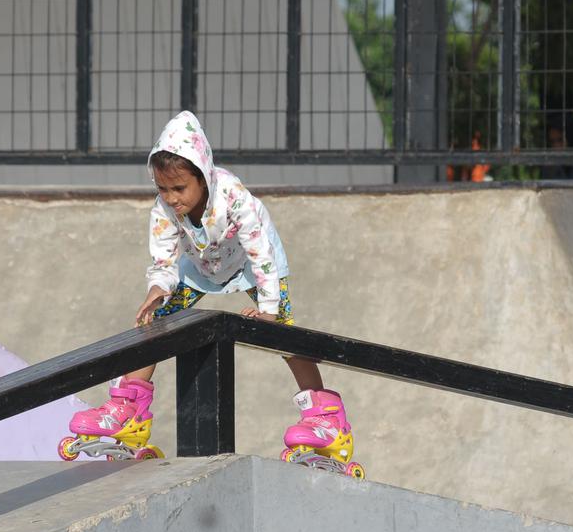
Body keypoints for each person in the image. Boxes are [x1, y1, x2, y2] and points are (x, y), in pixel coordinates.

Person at [64, 111, 361, 476]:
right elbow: (163, 257)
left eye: (179, 189)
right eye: (163, 189)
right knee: (154, 325)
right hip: (201, 266)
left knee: (284, 333)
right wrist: (158, 288)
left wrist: (268, 308)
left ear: (203, 177)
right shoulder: (163, 209)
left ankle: (327, 420)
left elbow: (260, 250)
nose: (172, 199)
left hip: (253, 264)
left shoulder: (233, 196)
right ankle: (128, 411)